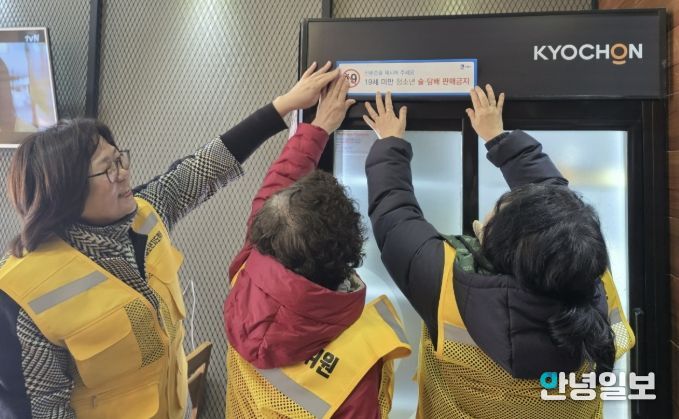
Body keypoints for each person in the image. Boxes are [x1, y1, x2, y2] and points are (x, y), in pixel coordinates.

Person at [0, 61, 339, 419]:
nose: (123, 173)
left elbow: (207, 167)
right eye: (107, 168)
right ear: (65, 190)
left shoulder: (146, 213)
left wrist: (284, 105)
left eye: (120, 159)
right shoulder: (21, 293)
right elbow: (40, 410)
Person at [362, 86, 635, 418]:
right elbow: (560, 212)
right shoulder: (587, 272)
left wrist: (389, 142)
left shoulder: (447, 287)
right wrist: (499, 139)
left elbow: (394, 215)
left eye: (497, 214)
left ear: (496, 247)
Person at [224, 76, 411, 418]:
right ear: (348, 251)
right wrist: (390, 147)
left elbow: (275, 188)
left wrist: (318, 127)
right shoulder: (356, 363)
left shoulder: (248, 272)